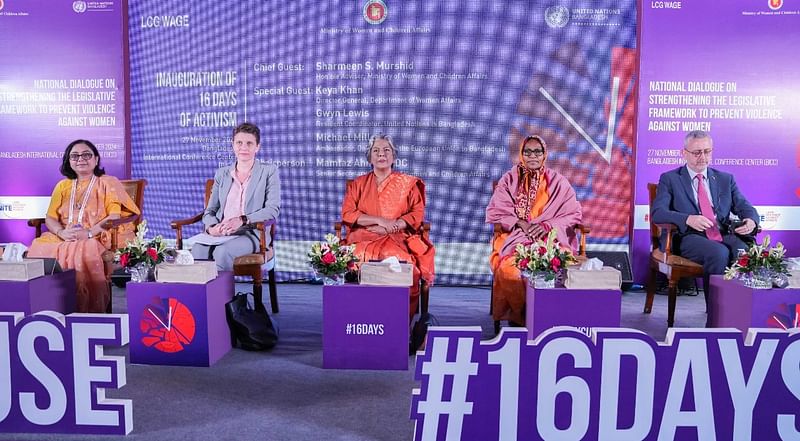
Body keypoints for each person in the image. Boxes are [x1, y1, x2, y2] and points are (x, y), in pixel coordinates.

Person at [27, 139, 140, 313]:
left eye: (86, 154)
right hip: (65, 235)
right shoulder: (62, 186)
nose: (81, 159)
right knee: (40, 246)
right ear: (68, 161)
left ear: (96, 159)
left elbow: (114, 216)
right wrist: (61, 232)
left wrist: (87, 233)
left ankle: (88, 311)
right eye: (75, 156)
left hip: (97, 235)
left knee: (85, 249)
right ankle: (49, 307)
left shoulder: (108, 182)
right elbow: (50, 217)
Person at [651, 130, 758, 308]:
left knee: (743, 251)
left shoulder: (725, 179)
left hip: (719, 232)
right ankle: (715, 312)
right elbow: (658, 213)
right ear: (683, 153)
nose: (703, 157)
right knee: (718, 253)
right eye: (697, 152)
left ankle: (739, 310)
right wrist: (687, 219)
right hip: (687, 236)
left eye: (707, 151)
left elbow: (744, 206)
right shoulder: (670, 179)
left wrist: (751, 220)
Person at [486, 135, 582, 326]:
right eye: (527, 151)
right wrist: (521, 223)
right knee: (509, 269)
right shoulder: (509, 179)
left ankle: (553, 316)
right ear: (521, 154)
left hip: (550, 240)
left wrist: (547, 226)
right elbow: (497, 211)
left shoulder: (557, 181)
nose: (532, 156)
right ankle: (521, 317)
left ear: (544, 154)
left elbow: (573, 214)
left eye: (537, 151)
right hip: (516, 238)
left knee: (563, 266)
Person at [341, 134, 435, 320]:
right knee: (357, 263)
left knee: (406, 269)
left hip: (397, 239)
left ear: (394, 155)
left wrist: (393, 226)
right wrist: (380, 220)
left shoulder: (407, 184)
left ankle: (398, 323)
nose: (381, 154)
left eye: (386, 150)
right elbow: (348, 214)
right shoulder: (358, 184)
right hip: (364, 238)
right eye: (376, 151)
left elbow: (417, 213)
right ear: (369, 157)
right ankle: (362, 321)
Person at [191, 122, 280, 271]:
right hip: (221, 232)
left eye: (249, 143)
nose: (243, 147)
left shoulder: (269, 172)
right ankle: (201, 295)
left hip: (252, 233)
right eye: (239, 142)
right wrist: (212, 228)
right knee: (198, 250)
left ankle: (222, 295)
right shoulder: (222, 173)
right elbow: (210, 210)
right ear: (233, 145)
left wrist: (242, 220)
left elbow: (272, 209)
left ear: (257, 147)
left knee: (222, 252)